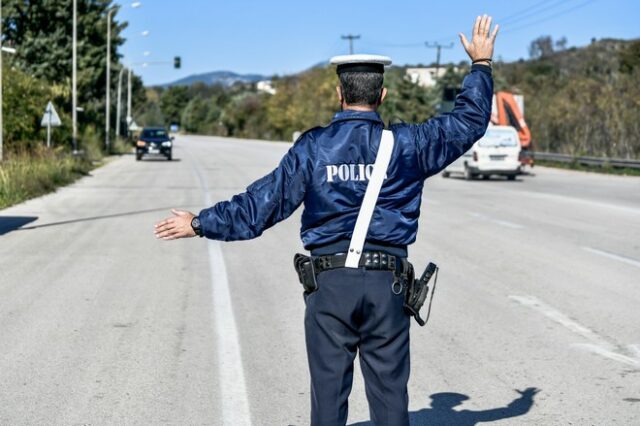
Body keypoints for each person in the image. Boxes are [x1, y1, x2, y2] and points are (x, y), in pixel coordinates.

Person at [154, 15, 499, 426]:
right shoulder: (408, 145)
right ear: (382, 95)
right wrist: (481, 66)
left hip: (330, 285)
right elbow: (467, 124)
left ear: (339, 93)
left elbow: (262, 204)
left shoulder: (314, 147)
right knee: (390, 401)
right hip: (388, 286)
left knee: (328, 398)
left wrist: (200, 222)